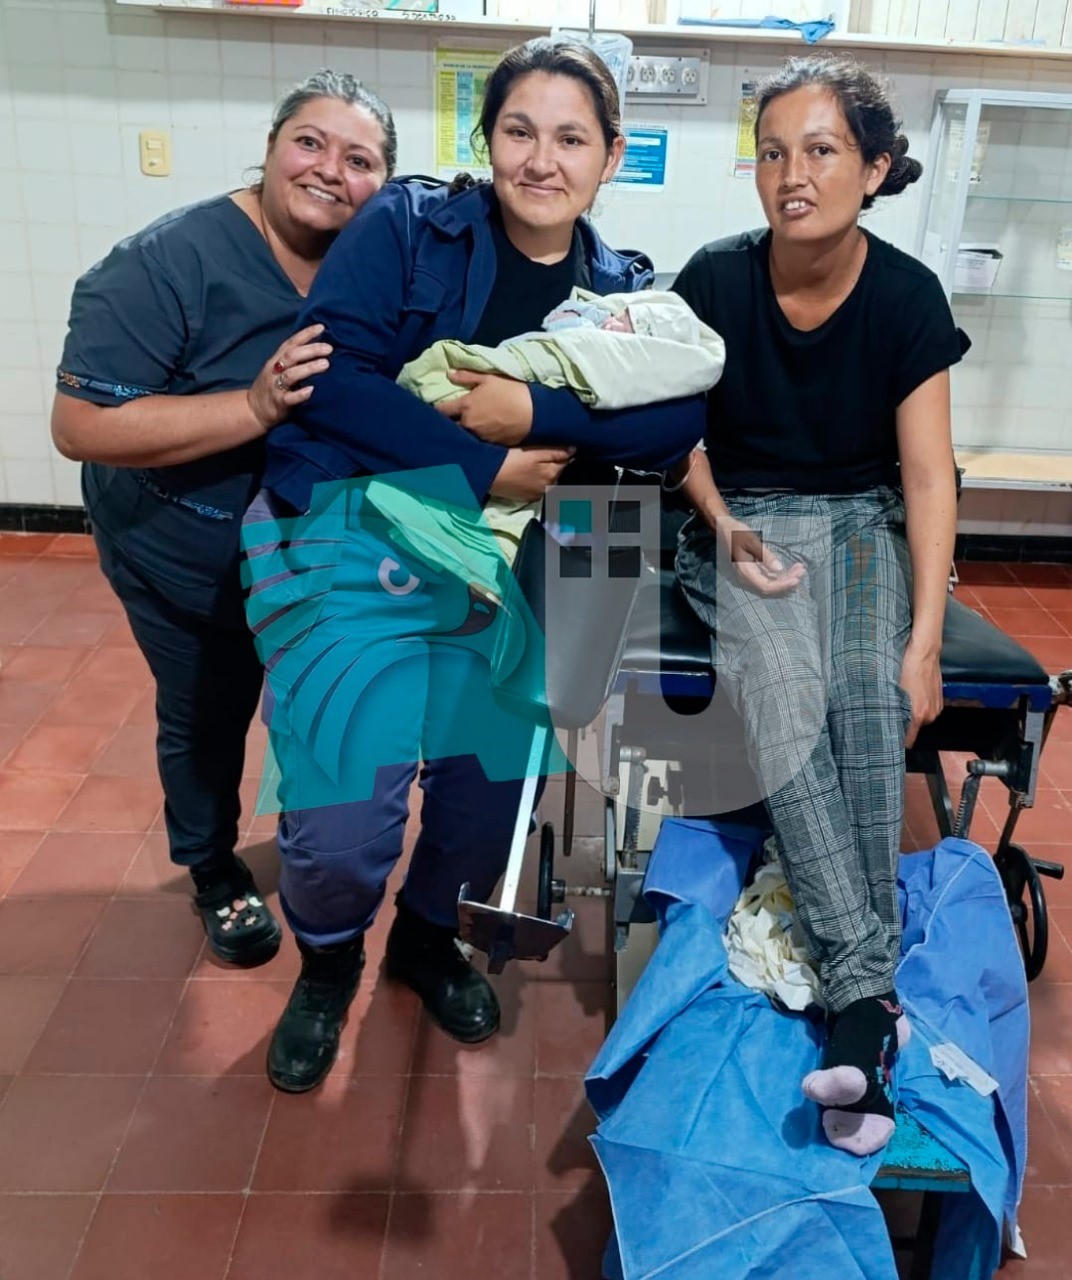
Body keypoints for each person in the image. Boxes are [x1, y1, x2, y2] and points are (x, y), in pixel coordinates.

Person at [249, 36, 705, 1093]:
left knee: (483, 803)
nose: (539, 160)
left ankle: (420, 940)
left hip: (516, 578)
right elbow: (335, 380)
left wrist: (533, 410)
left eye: (569, 137)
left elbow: (682, 411)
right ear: (486, 138)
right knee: (337, 819)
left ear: (611, 155)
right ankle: (326, 965)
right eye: (518, 131)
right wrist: (489, 458)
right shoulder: (406, 229)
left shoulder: (621, 289)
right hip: (361, 546)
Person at [670, 55, 968, 1156]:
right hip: (739, 518)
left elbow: (928, 476)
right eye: (773, 152)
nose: (792, 174)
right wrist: (722, 524)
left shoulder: (904, 296)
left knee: (865, 696)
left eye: (822, 149)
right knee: (786, 695)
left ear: (874, 166)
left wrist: (924, 637)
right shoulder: (712, 277)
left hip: (857, 526)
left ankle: (857, 1006)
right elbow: (677, 439)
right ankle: (864, 1002)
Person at [50, 71, 398, 968]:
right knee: (207, 709)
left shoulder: (375, 261)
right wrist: (250, 408)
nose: (330, 170)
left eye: (359, 159)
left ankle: (319, 850)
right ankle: (211, 868)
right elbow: (81, 427)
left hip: (308, 552)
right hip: (180, 545)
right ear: (273, 147)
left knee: (315, 711)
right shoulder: (167, 262)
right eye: (310, 143)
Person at [397, 284, 725, 558]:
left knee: (586, 620)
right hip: (423, 497)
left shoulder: (625, 282)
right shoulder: (429, 253)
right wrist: (485, 466)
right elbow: (360, 395)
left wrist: (535, 412)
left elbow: (682, 426)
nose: (617, 324)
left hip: (587, 501)